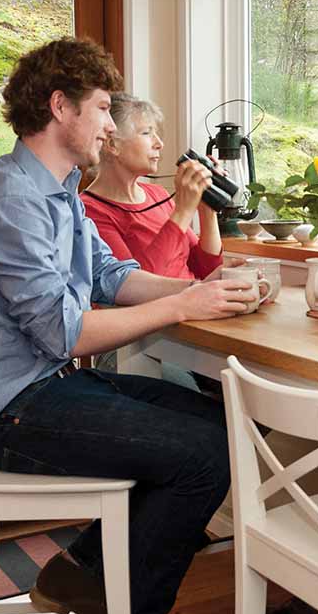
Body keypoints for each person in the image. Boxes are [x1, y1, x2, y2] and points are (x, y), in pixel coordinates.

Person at [0, 37, 256, 614]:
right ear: (62, 107)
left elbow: (109, 277)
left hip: (45, 390)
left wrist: (217, 294)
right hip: (12, 411)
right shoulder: (9, 202)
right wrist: (186, 301)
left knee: (222, 430)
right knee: (203, 457)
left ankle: (87, 578)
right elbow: (67, 333)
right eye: (104, 108)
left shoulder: (58, 194)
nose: (109, 126)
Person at [80, 93, 226, 391]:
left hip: (191, 330)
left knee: (246, 389)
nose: (159, 143)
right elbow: (133, 287)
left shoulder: (159, 196)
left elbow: (204, 267)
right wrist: (183, 211)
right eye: (147, 133)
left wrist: (206, 211)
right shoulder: (88, 210)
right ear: (111, 144)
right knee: (201, 404)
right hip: (135, 345)